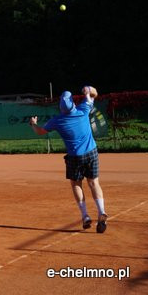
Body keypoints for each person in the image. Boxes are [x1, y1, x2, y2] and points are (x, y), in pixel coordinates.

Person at [30, 86, 107, 233]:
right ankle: (101, 211)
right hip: (91, 152)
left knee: (76, 184)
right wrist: (89, 90)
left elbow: (40, 132)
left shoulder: (57, 121)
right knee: (93, 182)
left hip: (74, 157)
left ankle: (85, 216)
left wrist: (33, 123)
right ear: (72, 103)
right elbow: (95, 94)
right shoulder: (83, 109)